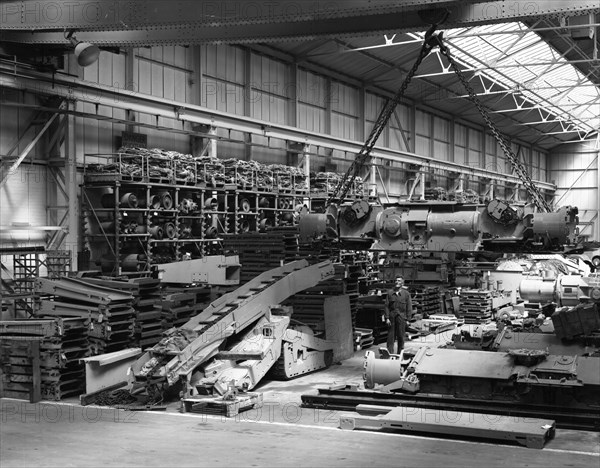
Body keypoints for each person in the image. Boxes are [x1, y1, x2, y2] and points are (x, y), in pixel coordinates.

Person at [385, 275, 413, 353]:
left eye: (399, 280)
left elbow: (409, 307)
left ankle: (400, 353)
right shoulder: (390, 293)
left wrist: (408, 319)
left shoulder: (406, 294)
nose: (397, 282)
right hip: (392, 317)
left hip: (402, 317)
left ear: (402, 283)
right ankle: (389, 354)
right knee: (391, 337)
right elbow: (386, 306)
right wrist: (387, 318)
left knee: (401, 336)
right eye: (396, 280)